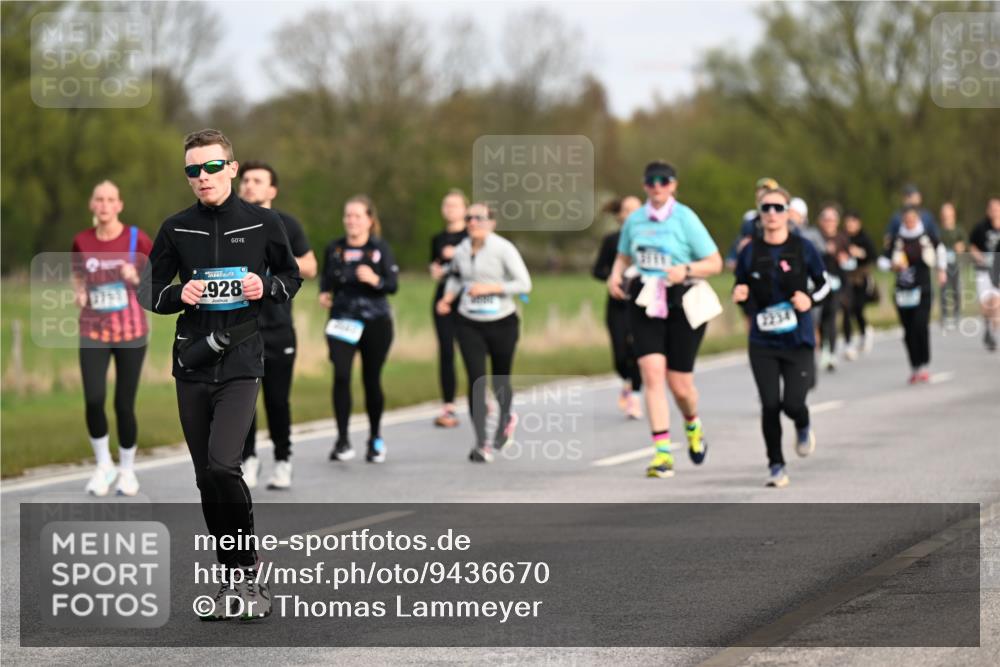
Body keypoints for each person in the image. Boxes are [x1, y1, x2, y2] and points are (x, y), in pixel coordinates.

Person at [147, 128, 302, 620]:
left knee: (222, 466)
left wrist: (266, 286)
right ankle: (229, 576)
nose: (203, 176)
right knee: (204, 479)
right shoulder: (176, 228)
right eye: (193, 170)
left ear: (231, 169)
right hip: (192, 361)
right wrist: (177, 295)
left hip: (240, 361)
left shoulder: (263, 222)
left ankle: (249, 570)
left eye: (212, 166)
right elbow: (149, 289)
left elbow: (292, 277)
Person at [606, 161, 723, 478]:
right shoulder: (635, 220)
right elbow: (623, 255)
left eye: (663, 181)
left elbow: (715, 263)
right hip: (645, 301)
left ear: (673, 185)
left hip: (683, 302)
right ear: (644, 185)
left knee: (680, 387)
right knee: (652, 373)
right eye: (651, 181)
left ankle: (692, 424)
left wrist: (686, 269)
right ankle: (662, 454)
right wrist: (615, 275)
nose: (657, 186)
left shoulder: (685, 218)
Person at [732, 187, 830, 488]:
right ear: (760, 215)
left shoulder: (803, 247)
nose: (772, 213)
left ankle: (802, 423)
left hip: (797, 340)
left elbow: (825, 285)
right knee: (770, 404)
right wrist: (740, 295)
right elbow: (741, 287)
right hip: (762, 342)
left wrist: (809, 300)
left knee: (792, 403)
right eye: (766, 208)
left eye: (778, 208)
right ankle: (776, 464)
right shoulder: (749, 251)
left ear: (788, 213)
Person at [237, 161, 317, 490]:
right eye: (245, 180)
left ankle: (283, 460)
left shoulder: (286, 224)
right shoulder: (231, 225)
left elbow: (310, 266)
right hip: (240, 326)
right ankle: (248, 459)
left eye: (257, 180)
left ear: (272, 190)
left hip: (278, 326)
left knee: (277, 400)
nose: (249, 185)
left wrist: (277, 261)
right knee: (242, 398)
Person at [72, 180, 153, 497]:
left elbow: (156, 277)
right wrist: (79, 292)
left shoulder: (136, 238)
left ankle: (127, 471)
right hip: (93, 329)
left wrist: (137, 277)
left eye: (110, 200)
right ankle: (104, 465)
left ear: (119, 205)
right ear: (92, 205)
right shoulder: (82, 241)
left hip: (131, 332)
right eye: (99, 199)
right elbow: (78, 275)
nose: (104, 205)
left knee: (123, 404)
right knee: (94, 399)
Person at [436, 202, 532, 463]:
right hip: (469, 322)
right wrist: (447, 298)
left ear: (491, 222)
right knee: (476, 381)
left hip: (502, 322)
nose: (472, 223)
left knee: (500, 380)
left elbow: (524, 283)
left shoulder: (503, 248)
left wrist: (491, 289)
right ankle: (482, 443)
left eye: (479, 218)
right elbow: (456, 277)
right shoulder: (461, 249)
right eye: (469, 218)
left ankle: (506, 417)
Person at [320, 195, 399, 463]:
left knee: (371, 379)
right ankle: (342, 440)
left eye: (357, 216)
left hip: (376, 322)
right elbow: (326, 280)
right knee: (341, 375)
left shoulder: (379, 249)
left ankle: (375, 438)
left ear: (369, 220)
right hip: (342, 321)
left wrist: (376, 279)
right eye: (348, 215)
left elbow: (392, 284)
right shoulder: (334, 248)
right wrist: (324, 294)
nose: (351, 220)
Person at [877, 206, 947, 383]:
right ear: (903, 221)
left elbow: (941, 251)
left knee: (919, 326)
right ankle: (914, 366)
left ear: (918, 219)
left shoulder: (927, 237)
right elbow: (881, 261)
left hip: (923, 289)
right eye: (906, 220)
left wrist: (941, 271)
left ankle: (924, 363)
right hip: (902, 291)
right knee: (908, 330)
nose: (909, 223)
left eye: (912, 219)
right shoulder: (896, 239)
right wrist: (892, 266)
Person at [592, 195, 643, 419]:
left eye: (636, 209)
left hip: (642, 302)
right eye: (627, 210)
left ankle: (636, 397)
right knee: (620, 355)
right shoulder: (612, 240)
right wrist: (613, 278)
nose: (632, 214)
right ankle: (627, 381)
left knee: (639, 351)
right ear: (619, 215)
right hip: (617, 304)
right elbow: (597, 270)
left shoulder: (650, 238)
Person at [429, 189, 468, 428]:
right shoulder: (438, 239)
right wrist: (435, 271)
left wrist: (458, 254)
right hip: (443, 300)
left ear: (465, 209)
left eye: (455, 205)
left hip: (468, 299)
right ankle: (449, 405)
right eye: (447, 205)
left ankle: (481, 394)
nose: (450, 209)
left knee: (471, 349)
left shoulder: (472, 235)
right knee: (446, 351)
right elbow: (436, 267)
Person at [815, 204, 850, 371]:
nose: (829, 223)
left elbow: (849, 261)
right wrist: (825, 252)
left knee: (832, 318)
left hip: (837, 284)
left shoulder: (842, 238)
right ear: (821, 221)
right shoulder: (817, 238)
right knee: (821, 318)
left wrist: (843, 258)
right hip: (819, 284)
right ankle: (824, 349)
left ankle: (832, 353)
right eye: (826, 219)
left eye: (832, 220)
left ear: (837, 222)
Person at [841, 211, 877, 359]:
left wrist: (860, 253)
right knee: (846, 309)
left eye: (852, 222)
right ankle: (848, 343)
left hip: (861, 279)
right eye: (847, 222)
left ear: (858, 223)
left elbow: (873, 256)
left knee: (858, 308)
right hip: (845, 279)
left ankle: (864, 332)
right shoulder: (842, 238)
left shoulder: (864, 238)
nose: (849, 225)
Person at [725, 177, 779, 270]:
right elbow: (733, 258)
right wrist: (735, 257)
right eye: (760, 191)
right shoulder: (750, 223)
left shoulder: (787, 223)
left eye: (767, 192)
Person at [969, 196, 1000, 352]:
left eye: (997, 208)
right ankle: (988, 328)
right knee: (985, 304)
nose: (994, 211)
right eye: (992, 209)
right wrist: (979, 257)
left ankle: (993, 333)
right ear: (988, 211)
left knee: (996, 302)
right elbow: (972, 246)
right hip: (983, 271)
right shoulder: (980, 228)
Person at [938, 202, 966, 329]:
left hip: (956, 265)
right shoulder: (939, 231)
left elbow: (965, 243)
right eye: (944, 214)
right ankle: (944, 315)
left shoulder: (959, 230)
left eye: (949, 213)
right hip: (943, 265)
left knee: (956, 289)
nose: (947, 216)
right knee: (943, 290)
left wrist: (961, 246)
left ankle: (957, 314)